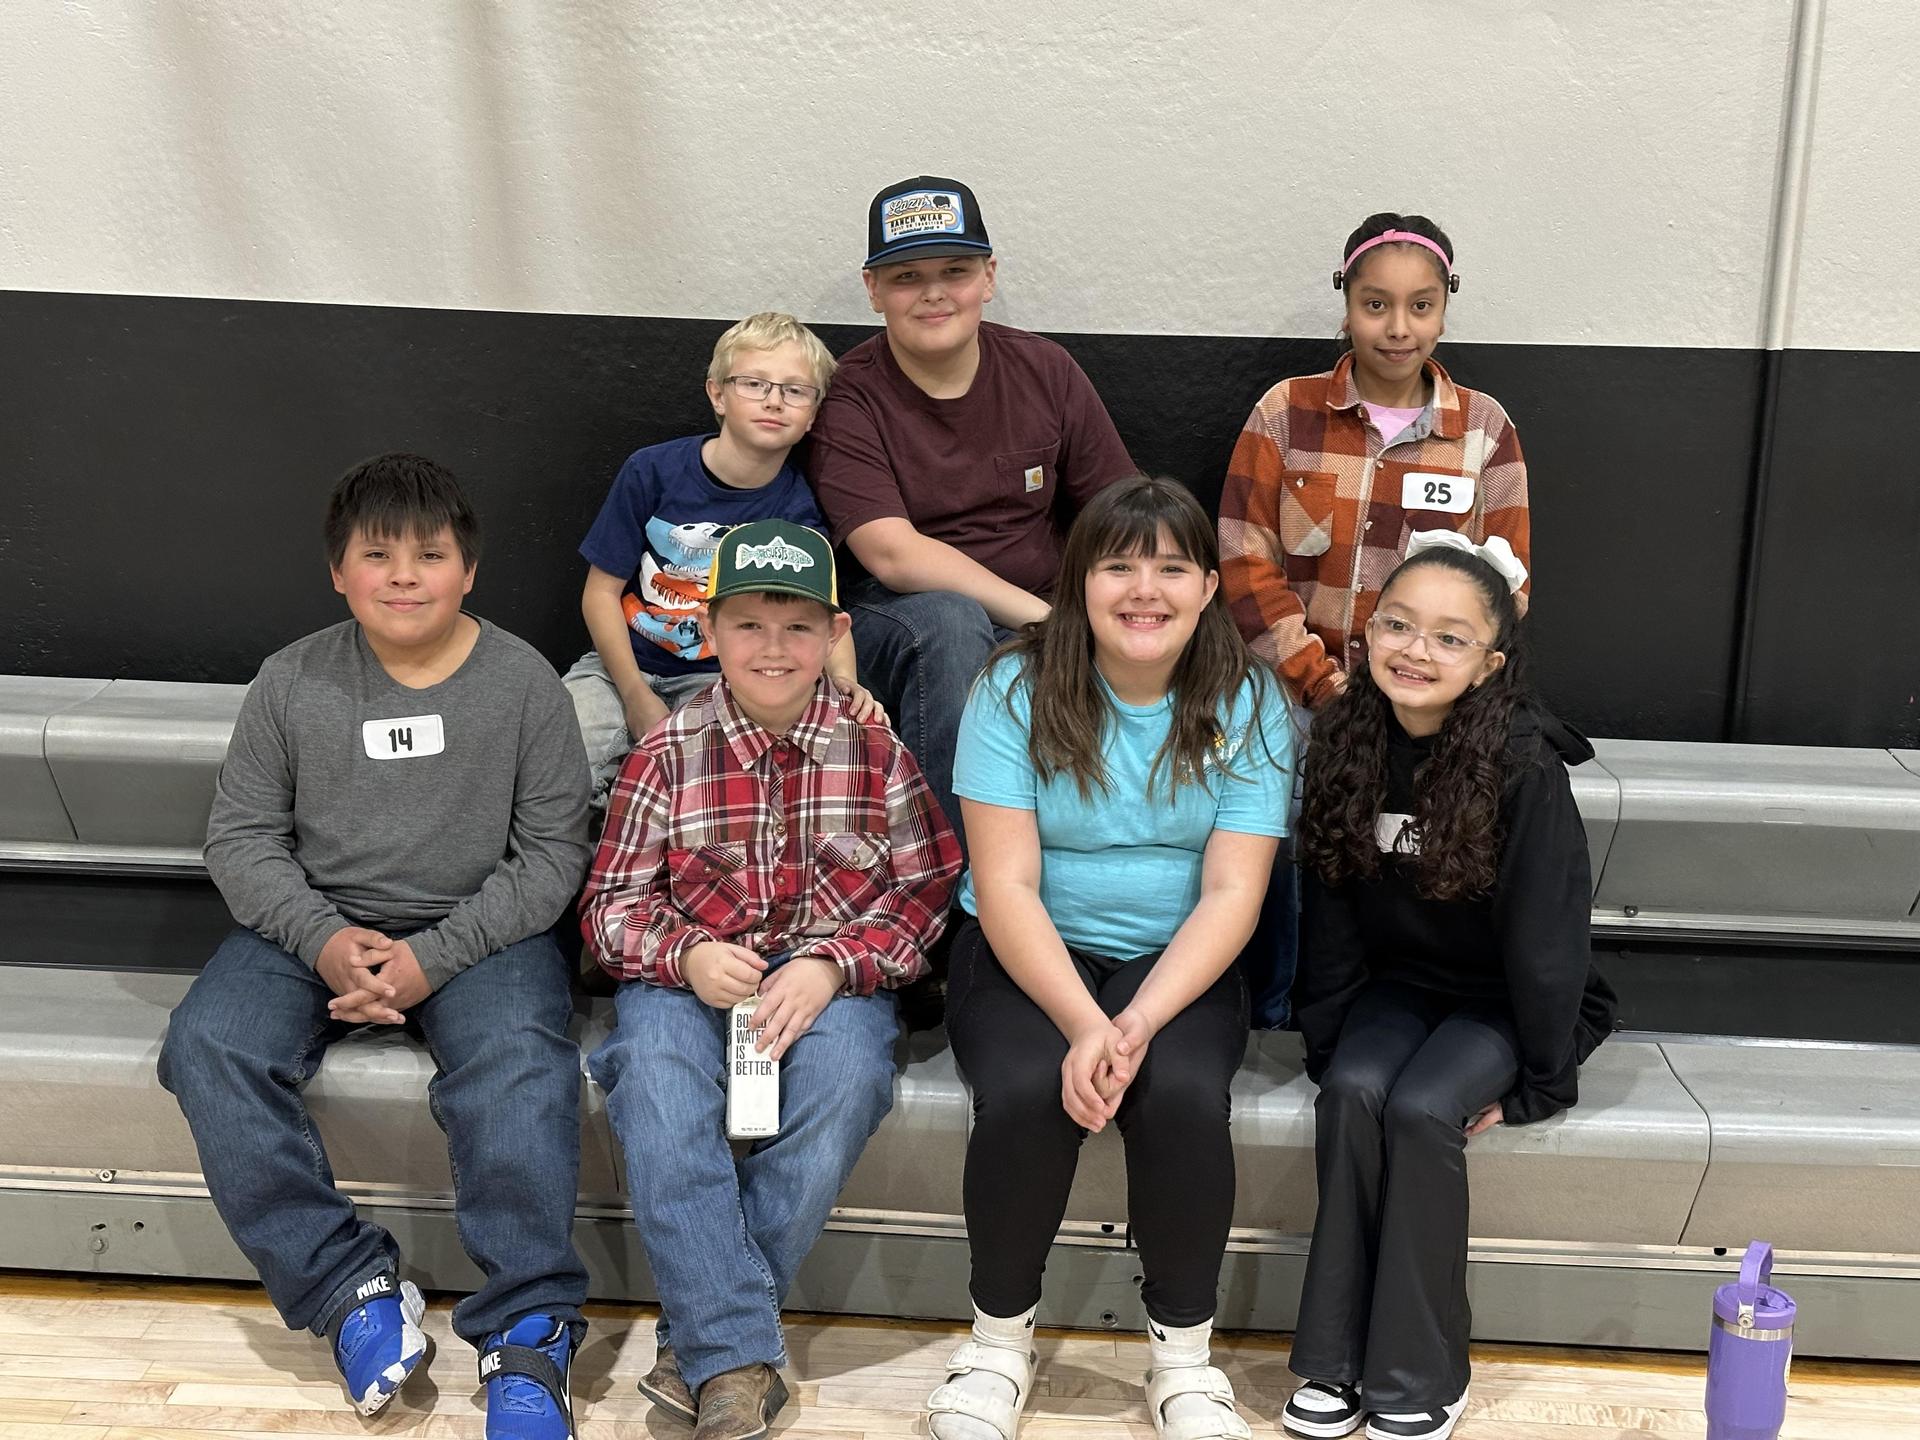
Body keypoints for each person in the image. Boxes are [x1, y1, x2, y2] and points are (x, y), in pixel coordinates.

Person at [157, 454, 592, 1436]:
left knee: (520, 1065)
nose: (404, 575)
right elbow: (240, 839)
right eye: (378, 554)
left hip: (484, 933)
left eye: (429, 555)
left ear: (468, 570)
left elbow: (554, 856)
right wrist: (322, 941)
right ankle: (350, 1288)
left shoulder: (524, 685)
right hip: (314, 920)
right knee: (205, 1045)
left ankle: (530, 1330)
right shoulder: (291, 682)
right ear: (338, 572)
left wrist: (431, 957)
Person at [925, 476, 1292, 1440]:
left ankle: (1183, 1362)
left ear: (1209, 587)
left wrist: (1133, 1023)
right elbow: (1003, 886)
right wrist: (1087, 1025)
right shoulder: (1012, 686)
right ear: (1078, 580)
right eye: (1118, 565)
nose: (1145, 590)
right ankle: (997, 1346)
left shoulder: (1249, 699)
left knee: (1173, 1093)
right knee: (1024, 1088)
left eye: (1172, 568)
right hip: (1026, 947)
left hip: (1176, 960)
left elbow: (1233, 892)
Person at [580, 519, 962, 1440]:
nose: (775, 648)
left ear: (837, 635)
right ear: (710, 634)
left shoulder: (879, 755)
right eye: (749, 625)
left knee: (846, 1081)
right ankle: (736, 1358)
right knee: (660, 1093)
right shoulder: (665, 752)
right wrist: (685, 957)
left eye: (799, 626)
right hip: (684, 978)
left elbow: (928, 888)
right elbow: (609, 906)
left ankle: (700, 1346)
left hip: (826, 980)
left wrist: (837, 963)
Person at [1280, 537, 1615, 1440]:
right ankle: (1333, 1361)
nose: (1415, 651)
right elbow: (1334, 910)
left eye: (1449, 638)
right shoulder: (1347, 737)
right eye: (1398, 624)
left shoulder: (1523, 764)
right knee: (1353, 1091)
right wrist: (1330, 1039)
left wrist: (1540, 1077)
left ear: (1488, 664)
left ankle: (1422, 1368)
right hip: (1403, 985)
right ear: (1368, 631)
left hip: (1503, 996)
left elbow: (1548, 937)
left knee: (1424, 1108)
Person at [1219, 212, 1532, 1030]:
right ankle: (1271, 1006)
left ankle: (1365, 1003)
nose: (1399, 329)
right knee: (1277, 826)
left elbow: (1507, 588)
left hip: (1425, 700)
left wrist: (1422, 685)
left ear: (1445, 305)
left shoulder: (1485, 432)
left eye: (1422, 306)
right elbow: (1244, 562)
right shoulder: (1285, 414)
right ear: (1346, 302)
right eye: (1376, 305)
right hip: (1292, 688)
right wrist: (1321, 682)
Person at [808, 175, 1137, 837]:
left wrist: (1121, 616)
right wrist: (1052, 624)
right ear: (873, 290)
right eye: (906, 276)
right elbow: (893, 555)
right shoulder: (848, 397)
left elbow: (1122, 517)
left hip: (1039, 610)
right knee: (955, 624)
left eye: (955, 270)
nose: (933, 292)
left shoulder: (1045, 370)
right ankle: (956, 886)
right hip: (900, 618)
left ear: (988, 277)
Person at [563, 312, 880, 807]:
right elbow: (600, 592)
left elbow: (821, 612)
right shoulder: (652, 471)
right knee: (562, 754)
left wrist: (844, 683)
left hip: (725, 679)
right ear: (717, 393)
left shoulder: (801, 509)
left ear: (814, 413)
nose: (775, 400)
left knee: (711, 787)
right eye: (754, 383)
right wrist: (634, 695)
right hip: (618, 666)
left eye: (796, 391)